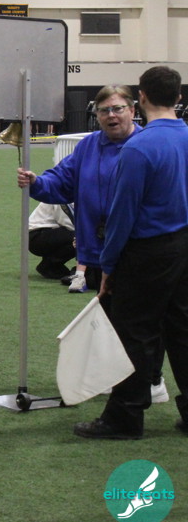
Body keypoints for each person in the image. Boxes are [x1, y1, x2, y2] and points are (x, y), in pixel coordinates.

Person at [74, 66, 188, 440]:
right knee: (182, 332)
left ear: (141, 97)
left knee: (134, 335)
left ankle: (124, 417)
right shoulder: (186, 137)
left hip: (147, 252)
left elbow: (123, 214)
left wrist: (108, 266)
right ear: (178, 97)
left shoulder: (139, 148)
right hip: (183, 246)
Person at [17, 85, 141, 294]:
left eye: (117, 109)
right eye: (104, 110)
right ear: (97, 115)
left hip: (137, 250)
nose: (111, 115)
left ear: (132, 110)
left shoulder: (147, 144)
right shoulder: (87, 146)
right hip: (96, 251)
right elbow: (62, 179)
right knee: (107, 307)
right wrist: (37, 182)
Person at [27, 202, 75, 280]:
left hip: (48, 232)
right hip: (37, 236)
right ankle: (49, 266)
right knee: (80, 239)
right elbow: (68, 223)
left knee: (82, 237)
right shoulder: (62, 197)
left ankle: (50, 265)